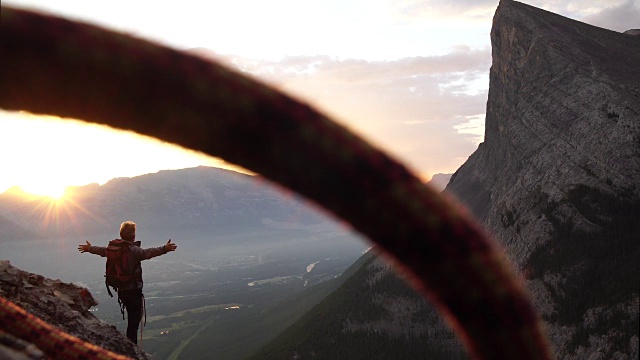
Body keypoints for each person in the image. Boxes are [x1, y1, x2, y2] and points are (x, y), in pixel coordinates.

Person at [78, 221, 177, 344]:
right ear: (133, 235)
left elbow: (103, 251)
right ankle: (132, 349)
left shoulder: (115, 249)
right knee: (133, 323)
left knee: (132, 320)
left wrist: (89, 248)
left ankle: (130, 347)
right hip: (133, 291)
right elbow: (148, 253)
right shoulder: (133, 250)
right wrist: (164, 249)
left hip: (121, 290)